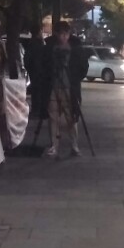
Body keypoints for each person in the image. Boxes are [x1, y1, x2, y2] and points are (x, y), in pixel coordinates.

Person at [39, 21, 88, 158]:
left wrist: (75, 78)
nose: (63, 37)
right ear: (56, 34)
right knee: (53, 117)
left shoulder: (76, 48)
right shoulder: (50, 48)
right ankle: (54, 146)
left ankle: (74, 145)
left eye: (66, 34)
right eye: (61, 34)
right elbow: (44, 66)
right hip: (53, 87)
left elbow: (83, 66)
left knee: (71, 117)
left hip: (69, 87)